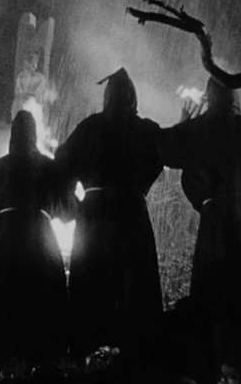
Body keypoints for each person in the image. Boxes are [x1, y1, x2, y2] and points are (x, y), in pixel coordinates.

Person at [158, 77, 241, 373]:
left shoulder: (205, 125)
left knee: (214, 287)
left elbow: (166, 149)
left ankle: (213, 359)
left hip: (219, 220)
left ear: (210, 96)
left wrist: (183, 123)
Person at [55, 68, 163, 359]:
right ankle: (138, 345)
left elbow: (61, 161)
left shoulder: (90, 127)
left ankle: (87, 342)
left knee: (93, 276)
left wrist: (73, 199)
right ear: (132, 96)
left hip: (95, 214)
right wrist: (139, 186)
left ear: (108, 96)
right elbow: (161, 156)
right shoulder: (144, 129)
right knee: (132, 278)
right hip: (130, 212)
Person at [0, 110, 73, 365]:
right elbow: (68, 208)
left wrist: (0, 222)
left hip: (5, 235)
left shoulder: (1, 165)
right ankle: (41, 348)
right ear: (34, 134)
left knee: (1, 287)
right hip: (38, 233)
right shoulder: (47, 164)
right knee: (42, 287)